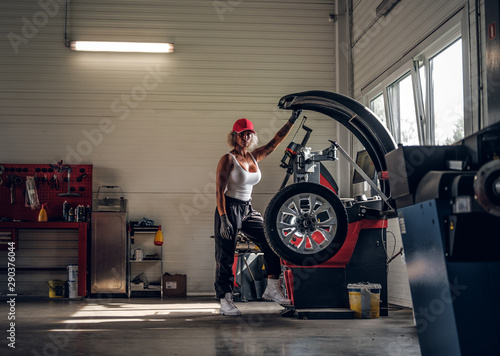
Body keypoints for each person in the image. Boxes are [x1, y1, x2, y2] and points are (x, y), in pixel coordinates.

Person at [214, 109, 302, 316]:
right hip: (229, 207)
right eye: (242, 133)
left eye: (249, 134)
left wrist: (291, 121)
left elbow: (275, 142)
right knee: (225, 255)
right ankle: (225, 300)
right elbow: (219, 190)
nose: (246, 137)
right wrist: (224, 218)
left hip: (247, 208)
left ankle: (272, 288)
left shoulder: (254, 157)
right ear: (234, 135)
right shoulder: (227, 159)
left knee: (270, 238)